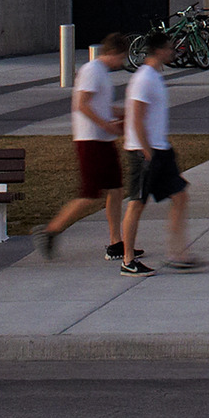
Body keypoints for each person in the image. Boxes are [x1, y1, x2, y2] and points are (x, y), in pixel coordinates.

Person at [32, 30, 129, 262]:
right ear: (114, 53)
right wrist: (106, 125)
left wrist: (129, 112)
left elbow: (101, 106)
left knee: (115, 190)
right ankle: (50, 231)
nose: (122, 63)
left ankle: (116, 242)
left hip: (104, 140)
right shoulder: (92, 71)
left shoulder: (102, 73)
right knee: (90, 194)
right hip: (90, 140)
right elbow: (82, 105)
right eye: (122, 57)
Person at [118, 29, 206, 274]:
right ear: (158, 51)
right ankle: (128, 260)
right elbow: (135, 117)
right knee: (137, 203)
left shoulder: (155, 77)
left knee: (180, 196)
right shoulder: (144, 77)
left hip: (161, 150)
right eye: (169, 48)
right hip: (144, 152)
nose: (173, 51)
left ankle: (177, 254)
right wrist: (147, 152)